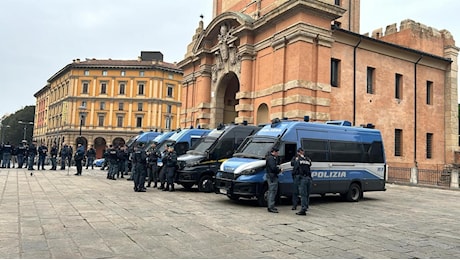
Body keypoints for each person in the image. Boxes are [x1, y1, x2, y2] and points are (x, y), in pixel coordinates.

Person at [292, 148, 312, 216]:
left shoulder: (298, 160)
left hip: (302, 178)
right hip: (308, 178)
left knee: (303, 194)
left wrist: (293, 174)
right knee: (307, 194)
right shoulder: (308, 159)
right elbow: (310, 165)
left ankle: (303, 209)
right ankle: (305, 207)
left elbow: (295, 167)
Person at [266, 147, 281, 213]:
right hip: (272, 176)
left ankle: (270, 205)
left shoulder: (270, 158)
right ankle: (271, 206)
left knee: (271, 191)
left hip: (270, 175)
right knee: (272, 191)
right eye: (277, 152)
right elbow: (273, 168)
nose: (278, 154)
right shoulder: (271, 158)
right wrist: (279, 170)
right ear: (274, 152)